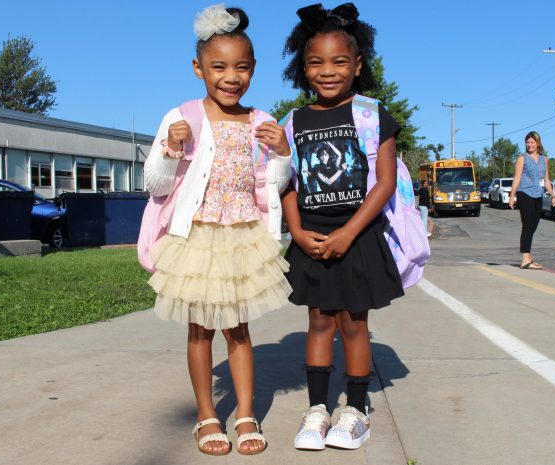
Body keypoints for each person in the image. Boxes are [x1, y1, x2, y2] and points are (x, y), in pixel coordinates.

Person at [143, 5, 292, 456]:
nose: (231, 77)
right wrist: (172, 148)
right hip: (196, 238)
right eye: (219, 67)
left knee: (239, 330)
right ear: (198, 68)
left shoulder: (261, 120)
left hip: (240, 237)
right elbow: (155, 185)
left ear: (253, 70)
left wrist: (283, 153)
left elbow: (273, 183)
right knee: (198, 331)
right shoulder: (182, 115)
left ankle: (245, 412)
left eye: (241, 67)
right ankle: (207, 415)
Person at [279, 2, 405, 451]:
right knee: (318, 322)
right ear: (303, 67)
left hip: (358, 236)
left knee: (353, 324)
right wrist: (296, 232)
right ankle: (316, 410)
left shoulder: (373, 115)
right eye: (316, 62)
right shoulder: (293, 122)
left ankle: (355, 410)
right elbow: (285, 181)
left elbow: (385, 182)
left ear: (357, 65)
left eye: (338, 62)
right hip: (310, 237)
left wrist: (349, 232)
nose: (327, 71)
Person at [508, 131, 555, 269]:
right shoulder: (522, 159)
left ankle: (527, 257)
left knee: (533, 226)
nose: (530, 145)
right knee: (527, 226)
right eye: (527, 142)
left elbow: (546, 181)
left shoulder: (544, 159)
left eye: (532, 142)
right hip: (525, 193)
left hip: (538, 195)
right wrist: (512, 196)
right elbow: (517, 178)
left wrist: (553, 196)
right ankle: (525, 258)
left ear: (538, 143)